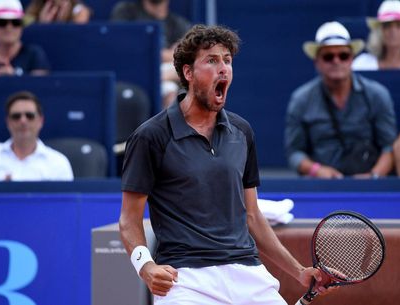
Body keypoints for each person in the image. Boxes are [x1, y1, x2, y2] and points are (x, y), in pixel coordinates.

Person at [119, 24, 335, 304]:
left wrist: (299, 272)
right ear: (188, 73)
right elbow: (129, 219)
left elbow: (253, 217)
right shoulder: (151, 136)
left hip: (248, 272)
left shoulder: (242, 131)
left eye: (228, 60)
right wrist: (145, 266)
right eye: (212, 60)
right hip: (186, 279)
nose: (223, 69)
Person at [285, 21, 397, 178]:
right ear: (317, 62)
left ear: (352, 59)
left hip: (368, 185)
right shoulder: (301, 99)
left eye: (343, 55)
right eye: (328, 56)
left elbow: (390, 147)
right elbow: (294, 152)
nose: (336, 61)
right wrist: (316, 170)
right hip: (321, 187)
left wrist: (373, 176)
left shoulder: (377, 95)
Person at [0, 91, 73, 181]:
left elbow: (64, 206)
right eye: (16, 116)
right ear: (8, 122)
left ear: (41, 121)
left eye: (29, 116)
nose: (23, 121)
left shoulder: (58, 162)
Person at [111, 0, 191, 108]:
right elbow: (123, 51)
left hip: (167, 75)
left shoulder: (179, 24)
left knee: (174, 89)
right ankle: (155, 76)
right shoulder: (126, 12)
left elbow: (188, 59)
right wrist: (168, 54)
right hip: (132, 74)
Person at [0, 0, 51, 76]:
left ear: (21, 28)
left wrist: (14, 77)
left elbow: (41, 87)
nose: (9, 28)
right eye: (2, 22)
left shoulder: (34, 55)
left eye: (15, 22)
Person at [352, 0, 400, 71]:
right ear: (379, 32)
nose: (393, 31)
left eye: (399, 26)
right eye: (387, 26)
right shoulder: (362, 63)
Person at [25, 0, 91, 24]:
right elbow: (24, 28)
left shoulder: (80, 11)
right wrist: (42, 24)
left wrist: (60, 25)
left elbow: (76, 36)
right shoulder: (36, 7)